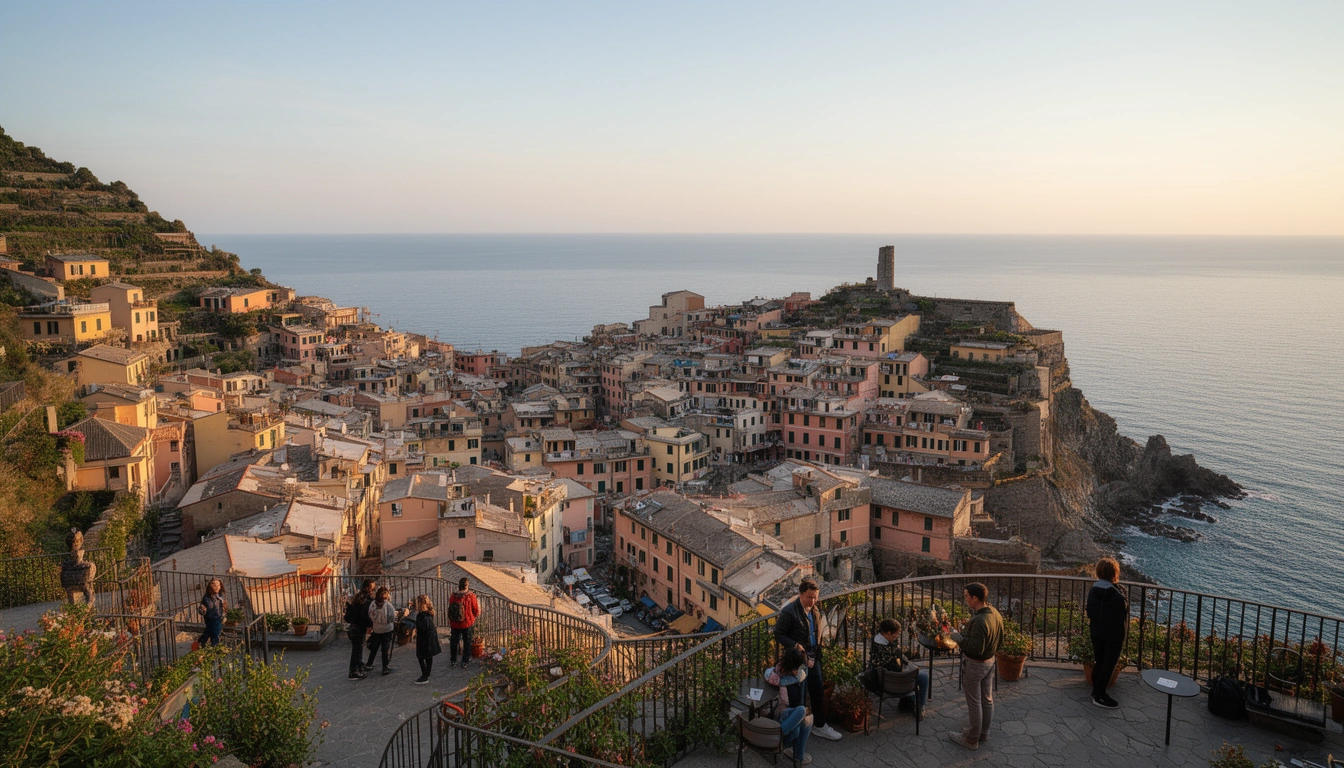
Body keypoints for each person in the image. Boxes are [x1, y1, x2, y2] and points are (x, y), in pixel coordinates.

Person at [771, 579, 843, 741]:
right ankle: (799, 731)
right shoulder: (790, 611)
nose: (813, 600)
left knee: (817, 690)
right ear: (801, 594)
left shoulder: (814, 610)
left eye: (815, 597)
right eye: (810, 597)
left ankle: (819, 725)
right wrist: (795, 645)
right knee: (799, 697)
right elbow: (779, 634)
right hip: (797, 660)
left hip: (813, 656)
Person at [948, 582, 1004, 750]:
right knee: (987, 699)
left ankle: (972, 739)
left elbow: (975, 648)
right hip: (990, 661)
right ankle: (983, 733)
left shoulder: (980, 620)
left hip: (975, 664)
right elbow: (1000, 638)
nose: (965, 600)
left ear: (975, 598)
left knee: (974, 702)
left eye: (966, 597)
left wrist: (958, 638)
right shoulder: (995, 613)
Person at [860, 618, 929, 712]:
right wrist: (911, 667)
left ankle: (910, 701)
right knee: (923, 676)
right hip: (894, 683)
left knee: (913, 673)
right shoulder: (890, 650)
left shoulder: (875, 643)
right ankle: (920, 706)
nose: (897, 636)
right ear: (888, 633)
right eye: (896, 634)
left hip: (881, 681)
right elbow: (899, 665)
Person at [1087, 557, 1128, 709]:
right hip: (1113, 636)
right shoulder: (1118, 594)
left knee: (1099, 662)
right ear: (1114, 573)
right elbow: (1122, 614)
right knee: (1108, 665)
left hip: (1096, 632)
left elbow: (1090, 611)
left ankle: (1095, 691)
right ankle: (1100, 696)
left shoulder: (1093, 590)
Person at [764, 647, 813, 767]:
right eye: (796, 667)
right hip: (780, 714)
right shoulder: (777, 677)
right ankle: (781, 736)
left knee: (806, 719)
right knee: (802, 713)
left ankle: (797, 756)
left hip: (789, 714)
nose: (798, 670)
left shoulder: (786, 676)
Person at [345, 579, 376, 680]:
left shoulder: (358, 596)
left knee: (358, 647)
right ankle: (353, 671)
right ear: (368, 587)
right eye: (373, 587)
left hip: (355, 626)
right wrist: (371, 624)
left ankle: (358, 664)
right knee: (357, 649)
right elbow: (364, 615)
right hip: (359, 626)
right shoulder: (366, 599)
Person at [447, 577, 481, 669]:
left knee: (454, 641)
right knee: (467, 641)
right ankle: (465, 661)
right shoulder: (471, 596)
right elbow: (476, 610)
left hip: (454, 623)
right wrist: (474, 616)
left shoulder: (453, 596)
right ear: (467, 586)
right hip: (467, 623)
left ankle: (453, 660)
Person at [366, 586, 397, 676]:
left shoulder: (373, 604)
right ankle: (385, 667)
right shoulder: (388, 605)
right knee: (385, 648)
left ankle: (369, 664)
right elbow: (392, 617)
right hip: (387, 629)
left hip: (376, 629)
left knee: (374, 647)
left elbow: (370, 614)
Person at [413, 594, 442, 685]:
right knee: (429, 656)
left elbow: (420, 627)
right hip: (430, 637)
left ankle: (424, 675)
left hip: (423, 638)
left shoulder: (420, 616)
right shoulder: (429, 613)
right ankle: (427, 673)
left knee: (420, 656)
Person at [196, 578, 227, 647]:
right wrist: (202, 610)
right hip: (210, 618)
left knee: (209, 631)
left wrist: (224, 613)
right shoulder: (207, 597)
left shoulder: (220, 595)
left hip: (219, 617)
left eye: (218, 585)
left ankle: (201, 642)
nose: (216, 587)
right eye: (214, 585)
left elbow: (223, 605)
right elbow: (202, 609)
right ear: (210, 586)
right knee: (215, 634)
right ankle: (214, 646)